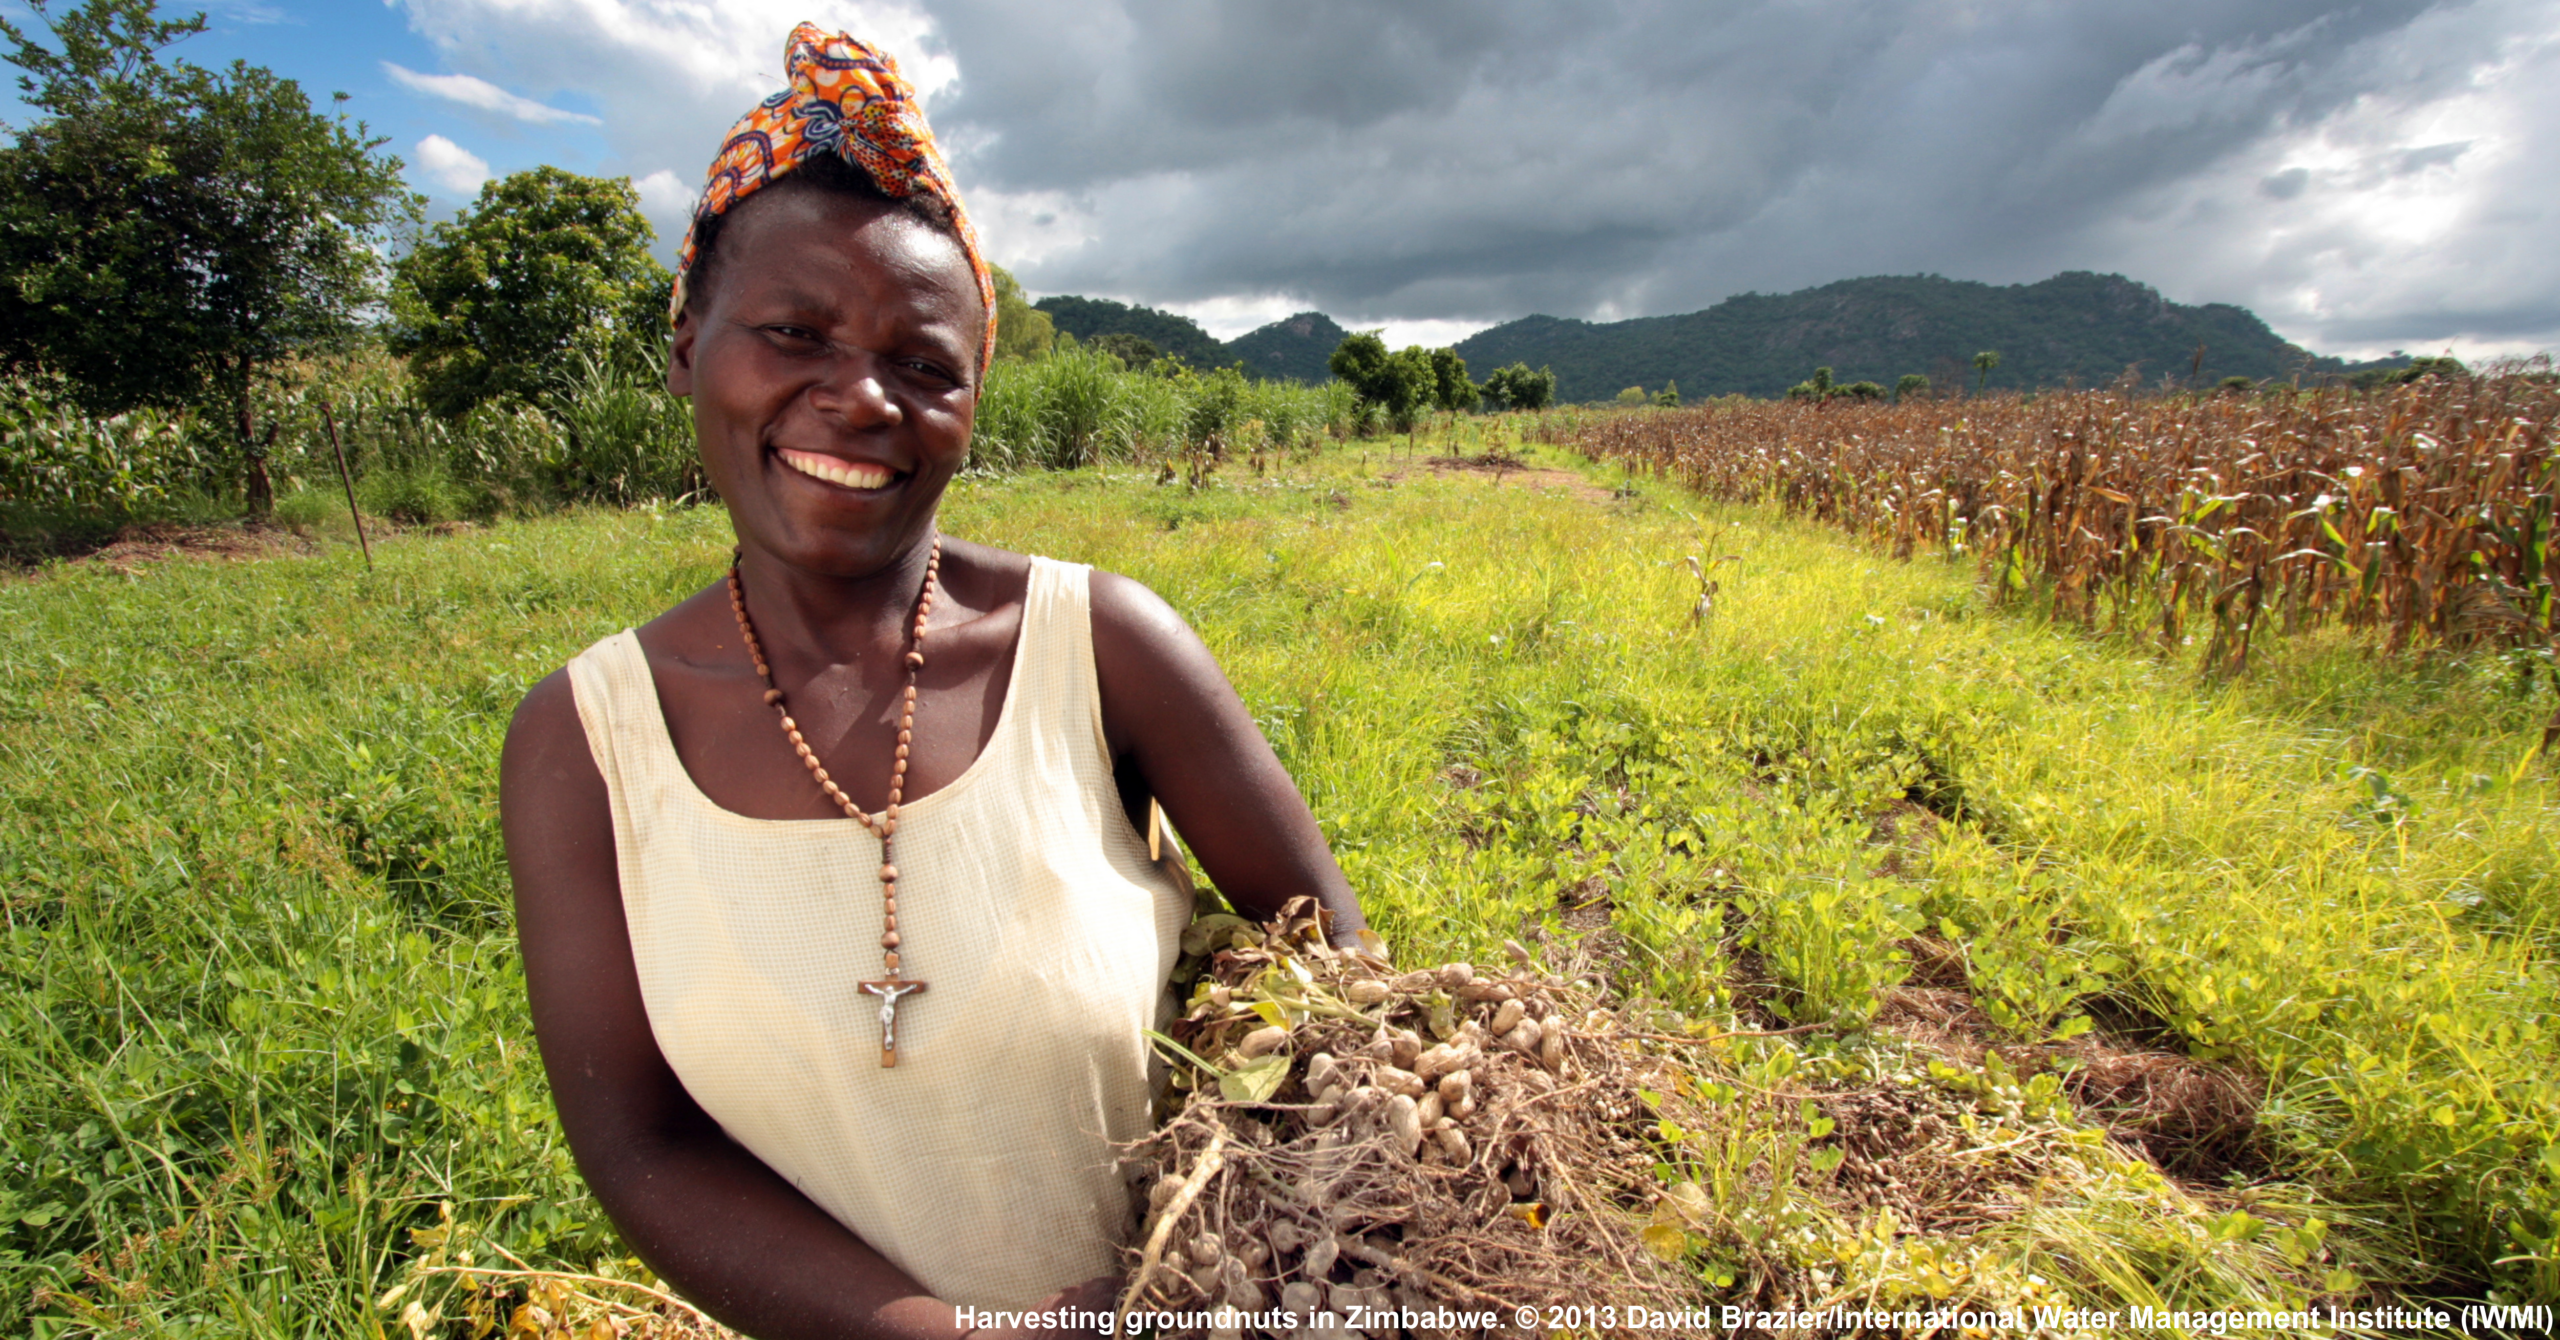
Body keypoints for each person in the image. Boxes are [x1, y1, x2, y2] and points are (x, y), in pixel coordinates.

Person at [498, 27, 1365, 1340]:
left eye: (923, 364)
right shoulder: (587, 743)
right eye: (792, 332)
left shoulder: (1105, 649)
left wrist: (1231, 1250)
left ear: (972, 403)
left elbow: (1341, 969)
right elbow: (643, 1149)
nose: (859, 398)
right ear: (688, 348)